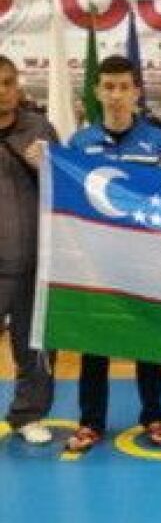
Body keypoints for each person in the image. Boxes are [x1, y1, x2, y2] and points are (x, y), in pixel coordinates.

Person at [65, 55, 161, 453]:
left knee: (150, 341)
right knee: (95, 342)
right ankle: (91, 421)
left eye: (123, 87)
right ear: (97, 92)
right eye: (109, 87)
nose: (116, 95)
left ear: (136, 92)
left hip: (145, 259)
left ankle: (154, 415)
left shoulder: (159, 143)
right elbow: (68, 198)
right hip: (96, 261)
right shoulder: (78, 144)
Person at [0, 55, 58, 444]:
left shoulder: (39, 129)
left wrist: (47, 166)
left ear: (18, 86)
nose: (2, 91)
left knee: (34, 341)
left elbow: (69, 186)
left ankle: (27, 414)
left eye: (8, 82)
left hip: (35, 259)